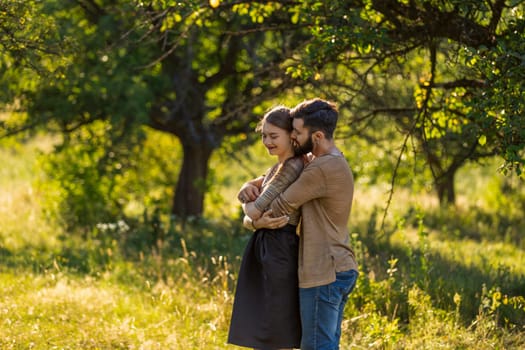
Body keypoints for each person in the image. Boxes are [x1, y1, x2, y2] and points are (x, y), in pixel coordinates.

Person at [241, 98, 359, 350]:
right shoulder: (328, 160)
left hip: (324, 270)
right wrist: (252, 183)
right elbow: (280, 173)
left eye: (296, 132)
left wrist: (249, 212)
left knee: (317, 347)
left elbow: (274, 207)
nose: (293, 137)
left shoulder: (320, 169)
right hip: (337, 265)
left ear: (316, 136)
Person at [228, 106, 305, 350]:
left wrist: (249, 207)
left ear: (291, 136)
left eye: (274, 136)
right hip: (267, 247)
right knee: (263, 327)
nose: (267, 142)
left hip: (279, 249)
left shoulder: (292, 166)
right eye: (264, 135)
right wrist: (247, 187)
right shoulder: (276, 168)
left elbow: (253, 210)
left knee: (275, 329)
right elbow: (252, 213)